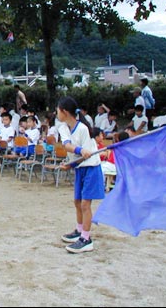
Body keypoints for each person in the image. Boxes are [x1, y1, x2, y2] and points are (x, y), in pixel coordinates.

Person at [57, 96, 104, 254]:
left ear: (64, 111)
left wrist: (81, 153)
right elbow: (68, 147)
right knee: (77, 201)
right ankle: (79, 230)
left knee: (85, 204)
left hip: (91, 168)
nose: (56, 113)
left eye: (58, 110)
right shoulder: (63, 127)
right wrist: (70, 162)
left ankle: (86, 238)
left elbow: (86, 155)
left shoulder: (83, 128)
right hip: (80, 167)